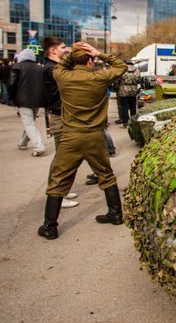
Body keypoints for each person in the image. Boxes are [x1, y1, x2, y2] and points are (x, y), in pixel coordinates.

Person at [38, 42, 126, 240]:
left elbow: (60, 65)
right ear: (89, 61)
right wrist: (98, 53)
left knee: (58, 180)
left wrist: (73, 51)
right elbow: (121, 67)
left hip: (71, 137)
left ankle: (49, 226)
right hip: (95, 136)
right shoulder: (99, 78)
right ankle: (116, 214)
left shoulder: (63, 76)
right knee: (106, 175)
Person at [41, 37, 78, 208]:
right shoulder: (52, 70)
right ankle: (56, 194)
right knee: (61, 160)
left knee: (65, 158)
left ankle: (60, 191)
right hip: (61, 117)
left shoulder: (54, 68)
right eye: (63, 47)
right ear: (53, 50)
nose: (67, 50)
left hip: (63, 116)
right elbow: (60, 95)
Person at [10, 49, 46, 157]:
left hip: (22, 99)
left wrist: (12, 99)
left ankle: (39, 146)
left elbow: (12, 84)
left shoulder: (16, 67)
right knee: (30, 122)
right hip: (37, 100)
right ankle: (23, 143)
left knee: (29, 123)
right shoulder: (40, 68)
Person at [113, 59, 141, 127]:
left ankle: (125, 122)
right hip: (133, 90)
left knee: (124, 107)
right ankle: (134, 122)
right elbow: (139, 80)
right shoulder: (137, 70)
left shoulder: (122, 69)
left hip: (123, 90)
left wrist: (116, 87)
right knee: (133, 106)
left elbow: (117, 80)